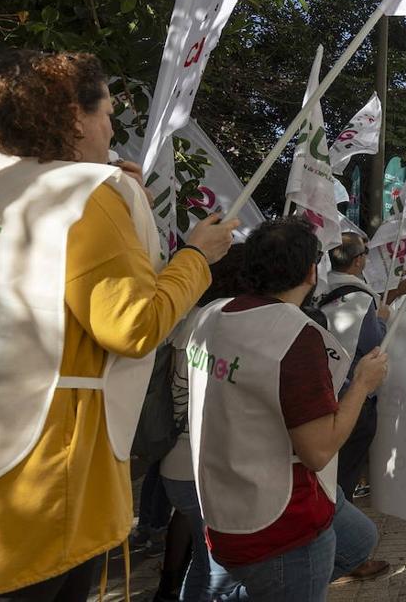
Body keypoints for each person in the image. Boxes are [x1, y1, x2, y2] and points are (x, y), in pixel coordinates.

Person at [0, 50, 235, 601]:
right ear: (75, 117)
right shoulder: (88, 194)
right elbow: (133, 325)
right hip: (41, 486)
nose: (111, 130)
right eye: (107, 116)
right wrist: (196, 256)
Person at [187, 217, 388, 602]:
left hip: (222, 506)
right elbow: (318, 450)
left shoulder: (209, 316)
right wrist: (362, 384)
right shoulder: (296, 334)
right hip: (281, 524)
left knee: (360, 539)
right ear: (313, 272)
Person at [160, 246, 249, 602]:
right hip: (204, 472)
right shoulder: (228, 325)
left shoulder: (189, 316)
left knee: (206, 560)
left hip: (178, 466)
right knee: (218, 570)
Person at [317, 230, 406, 583]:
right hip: (352, 399)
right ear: (358, 261)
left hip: (322, 393)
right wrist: (383, 317)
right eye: (366, 253)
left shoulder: (319, 289)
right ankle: (348, 554)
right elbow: (374, 343)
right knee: (345, 480)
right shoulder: (361, 299)